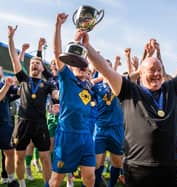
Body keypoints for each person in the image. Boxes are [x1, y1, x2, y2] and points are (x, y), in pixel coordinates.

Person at [77, 25, 177, 186]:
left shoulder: (171, 88)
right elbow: (106, 69)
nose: (157, 74)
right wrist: (87, 47)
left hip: (170, 167)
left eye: (159, 70)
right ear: (141, 73)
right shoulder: (129, 90)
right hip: (137, 168)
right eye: (152, 70)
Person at [48, 13, 96, 187]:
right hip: (67, 136)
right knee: (56, 180)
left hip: (86, 138)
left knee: (90, 177)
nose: (83, 67)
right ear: (71, 66)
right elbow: (56, 52)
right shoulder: (67, 78)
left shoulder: (90, 87)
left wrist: (85, 42)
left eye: (85, 65)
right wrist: (58, 25)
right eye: (79, 64)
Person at [8, 25, 56, 187]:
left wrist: (58, 100)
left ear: (43, 68)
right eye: (32, 63)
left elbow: (56, 95)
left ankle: (47, 185)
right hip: (22, 123)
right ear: (29, 67)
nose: (35, 64)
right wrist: (10, 39)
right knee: (19, 157)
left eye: (38, 63)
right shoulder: (23, 79)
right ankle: (21, 184)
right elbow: (15, 60)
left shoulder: (47, 84)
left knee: (45, 158)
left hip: (41, 124)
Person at [91, 59, 124, 187]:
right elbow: (85, 84)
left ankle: (111, 185)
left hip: (116, 128)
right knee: (96, 163)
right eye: (103, 67)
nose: (105, 70)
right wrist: (98, 78)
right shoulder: (95, 86)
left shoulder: (118, 84)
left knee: (117, 162)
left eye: (108, 68)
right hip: (100, 128)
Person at [0, 68, 19, 187]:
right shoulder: (5, 85)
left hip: (5, 124)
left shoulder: (4, 84)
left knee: (9, 152)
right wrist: (7, 85)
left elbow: (19, 92)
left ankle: (11, 179)